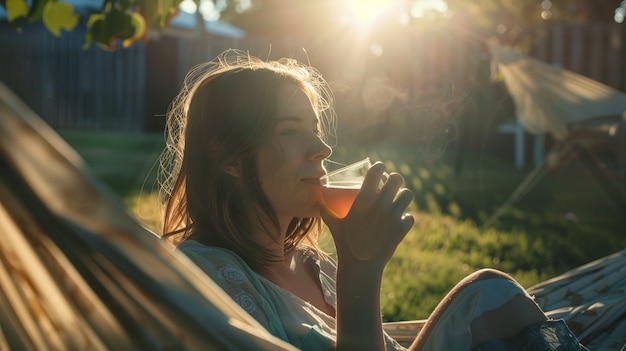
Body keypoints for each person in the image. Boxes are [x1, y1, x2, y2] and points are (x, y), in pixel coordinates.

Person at [158, 49, 587, 351]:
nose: (322, 149)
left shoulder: (314, 265)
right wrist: (361, 273)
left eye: (315, 128)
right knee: (490, 296)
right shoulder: (208, 278)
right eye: (290, 130)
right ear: (227, 157)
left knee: (490, 295)